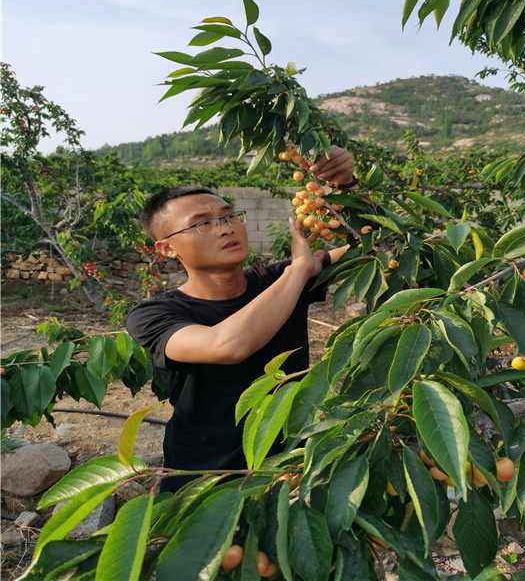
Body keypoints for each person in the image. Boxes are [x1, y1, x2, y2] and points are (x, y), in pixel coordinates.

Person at [125, 146, 359, 493]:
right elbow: (228, 345)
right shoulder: (154, 315)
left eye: (229, 216)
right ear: (167, 249)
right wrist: (298, 271)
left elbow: (377, 245)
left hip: (288, 467)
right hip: (204, 478)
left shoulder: (276, 280)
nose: (224, 228)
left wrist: (347, 187)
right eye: (203, 224)